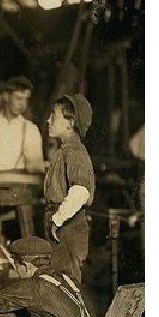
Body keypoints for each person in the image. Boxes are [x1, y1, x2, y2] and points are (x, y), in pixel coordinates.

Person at [44, 93, 96, 283]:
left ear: (70, 123)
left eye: (54, 115)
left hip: (68, 228)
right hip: (60, 225)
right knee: (57, 283)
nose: (48, 120)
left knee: (67, 283)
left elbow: (81, 190)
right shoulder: (63, 151)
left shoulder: (75, 152)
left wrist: (57, 219)